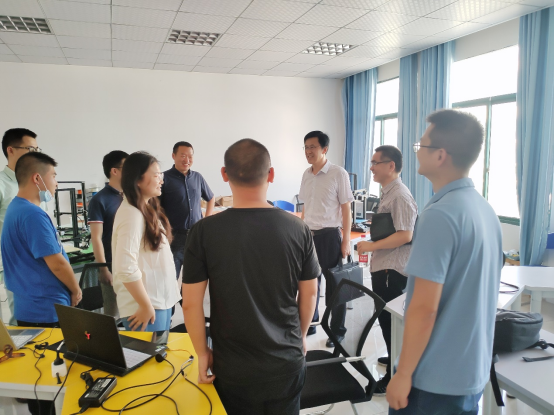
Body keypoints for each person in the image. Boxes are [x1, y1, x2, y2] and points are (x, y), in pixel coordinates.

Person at [182, 139, 320, 416]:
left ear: (224, 174)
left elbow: (190, 304)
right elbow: (310, 293)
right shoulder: (298, 228)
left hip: (233, 367)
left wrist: (202, 352)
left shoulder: (203, 232)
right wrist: (301, 336)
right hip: (286, 361)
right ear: (271, 174)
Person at [387, 110, 503, 415]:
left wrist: (403, 374)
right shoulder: (485, 210)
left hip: (433, 380)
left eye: (420, 145)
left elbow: (424, 308)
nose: (416, 151)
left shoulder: (440, 215)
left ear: (440, 155)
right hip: (470, 374)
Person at [357, 145, 417, 395]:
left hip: (393, 270)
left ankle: (396, 374)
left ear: (391, 166)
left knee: (391, 321)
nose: (371, 167)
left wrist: (371, 246)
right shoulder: (388, 193)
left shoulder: (400, 195)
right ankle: (393, 356)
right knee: (385, 319)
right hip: (384, 266)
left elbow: (406, 235)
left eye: (375, 163)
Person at [1, 152, 82, 327]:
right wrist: (76, 290)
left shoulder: (15, 208)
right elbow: (57, 264)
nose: (56, 183)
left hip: (28, 306)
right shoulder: (33, 214)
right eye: (53, 176)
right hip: (46, 309)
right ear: (37, 178)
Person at [112, 152, 180, 332]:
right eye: (156, 175)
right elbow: (125, 267)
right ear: (138, 180)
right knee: (150, 351)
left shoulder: (145, 208)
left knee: (161, 349)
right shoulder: (131, 214)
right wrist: (145, 305)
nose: (161, 180)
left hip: (157, 301)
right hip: (144, 306)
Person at [299, 131, 354, 348]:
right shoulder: (306, 174)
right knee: (309, 283)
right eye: (306, 147)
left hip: (330, 236)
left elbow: (346, 209)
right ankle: (311, 322)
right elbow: (305, 207)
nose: (308, 151)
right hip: (308, 236)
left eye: (312, 147)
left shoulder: (338, 173)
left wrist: (346, 240)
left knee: (335, 287)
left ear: (324, 149)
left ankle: (337, 331)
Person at [0, 128, 40, 326]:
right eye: (30, 149)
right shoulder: (2, 184)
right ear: (11, 150)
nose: (35, 154)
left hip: (38, 261)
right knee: (20, 322)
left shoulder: (35, 182)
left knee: (38, 321)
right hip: (13, 265)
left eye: (37, 149)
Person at [160, 142, 215, 281]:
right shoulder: (164, 178)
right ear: (173, 156)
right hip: (174, 236)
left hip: (195, 235)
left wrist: (206, 220)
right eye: (183, 156)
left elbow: (211, 198)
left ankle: (187, 296)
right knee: (171, 277)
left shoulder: (197, 177)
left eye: (190, 156)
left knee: (193, 277)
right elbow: (156, 208)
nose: (187, 160)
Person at [88, 151, 129, 318]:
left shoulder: (130, 196)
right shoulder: (99, 200)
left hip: (131, 263)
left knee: (132, 312)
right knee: (113, 314)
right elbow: (96, 238)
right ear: (114, 171)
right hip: (112, 264)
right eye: (127, 167)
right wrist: (103, 268)